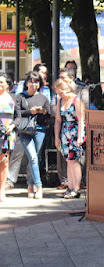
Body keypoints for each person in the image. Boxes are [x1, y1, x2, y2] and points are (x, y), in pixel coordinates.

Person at [16, 71, 50, 199]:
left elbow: (50, 113)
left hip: (39, 130)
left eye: (36, 82)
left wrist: (43, 111)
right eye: (31, 81)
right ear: (26, 83)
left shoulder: (43, 97)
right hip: (24, 130)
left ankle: (30, 186)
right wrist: (29, 111)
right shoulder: (20, 97)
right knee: (33, 157)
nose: (33, 84)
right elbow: (17, 113)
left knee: (35, 158)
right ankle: (39, 186)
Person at [53, 78, 86, 199]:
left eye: (61, 92)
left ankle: (76, 188)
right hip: (65, 132)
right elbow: (57, 120)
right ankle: (70, 187)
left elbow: (82, 119)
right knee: (68, 161)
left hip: (75, 132)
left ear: (67, 89)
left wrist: (80, 136)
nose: (60, 95)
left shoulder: (76, 100)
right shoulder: (60, 101)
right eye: (58, 93)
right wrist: (57, 137)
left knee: (74, 161)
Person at [0, 73, 20, 201]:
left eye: (1, 82)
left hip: (6, 134)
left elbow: (18, 117)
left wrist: (12, 126)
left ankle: (1, 190)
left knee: (4, 161)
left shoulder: (13, 98)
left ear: (7, 84)